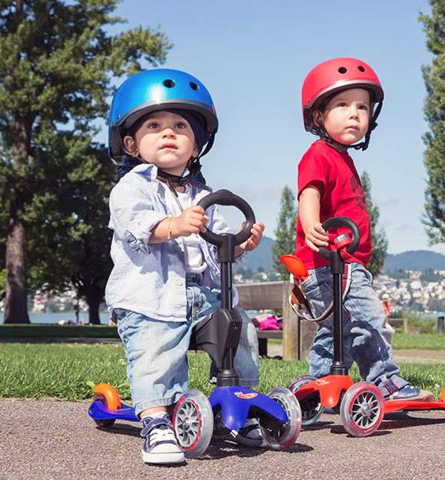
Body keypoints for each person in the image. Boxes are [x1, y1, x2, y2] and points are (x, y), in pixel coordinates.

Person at [105, 68, 265, 465]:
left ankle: (239, 403)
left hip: (203, 296)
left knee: (239, 330)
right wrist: (173, 225)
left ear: (196, 146)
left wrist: (241, 243)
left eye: (180, 126)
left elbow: (220, 243)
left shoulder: (204, 195)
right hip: (151, 298)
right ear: (131, 143)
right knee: (156, 352)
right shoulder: (131, 188)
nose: (169, 133)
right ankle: (157, 420)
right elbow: (137, 226)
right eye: (154, 126)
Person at [294, 58, 433, 401]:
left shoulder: (342, 158)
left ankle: (318, 387)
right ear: (318, 116)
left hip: (335, 266)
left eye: (362, 107)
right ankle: (385, 381)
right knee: (369, 320)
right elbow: (309, 192)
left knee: (337, 331)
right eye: (342, 105)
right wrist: (311, 224)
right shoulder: (319, 154)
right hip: (332, 264)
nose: (354, 114)